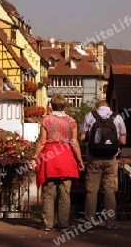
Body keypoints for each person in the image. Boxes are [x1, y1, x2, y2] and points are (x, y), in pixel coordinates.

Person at [30, 94, 84, 232]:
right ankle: (63, 224)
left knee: (48, 193)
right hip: (66, 158)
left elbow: (42, 141)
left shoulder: (46, 120)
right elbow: (74, 142)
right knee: (65, 194)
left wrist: (35, 157)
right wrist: (79, 160)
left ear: (51, 106)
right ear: (64, 106)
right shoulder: (71, 121)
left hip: (50, 158)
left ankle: (48, 224)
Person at [80, 100, 126, 230]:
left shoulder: (90, 116)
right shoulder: (117, 117)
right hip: (111, 159)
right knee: (109, 192)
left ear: (96, 107)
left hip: (94, 159)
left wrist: (94, 139)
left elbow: (82, 138)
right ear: (109, 108)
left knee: (91, 192)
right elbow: (123, 140)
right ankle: (110, 223)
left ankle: (89, 222)